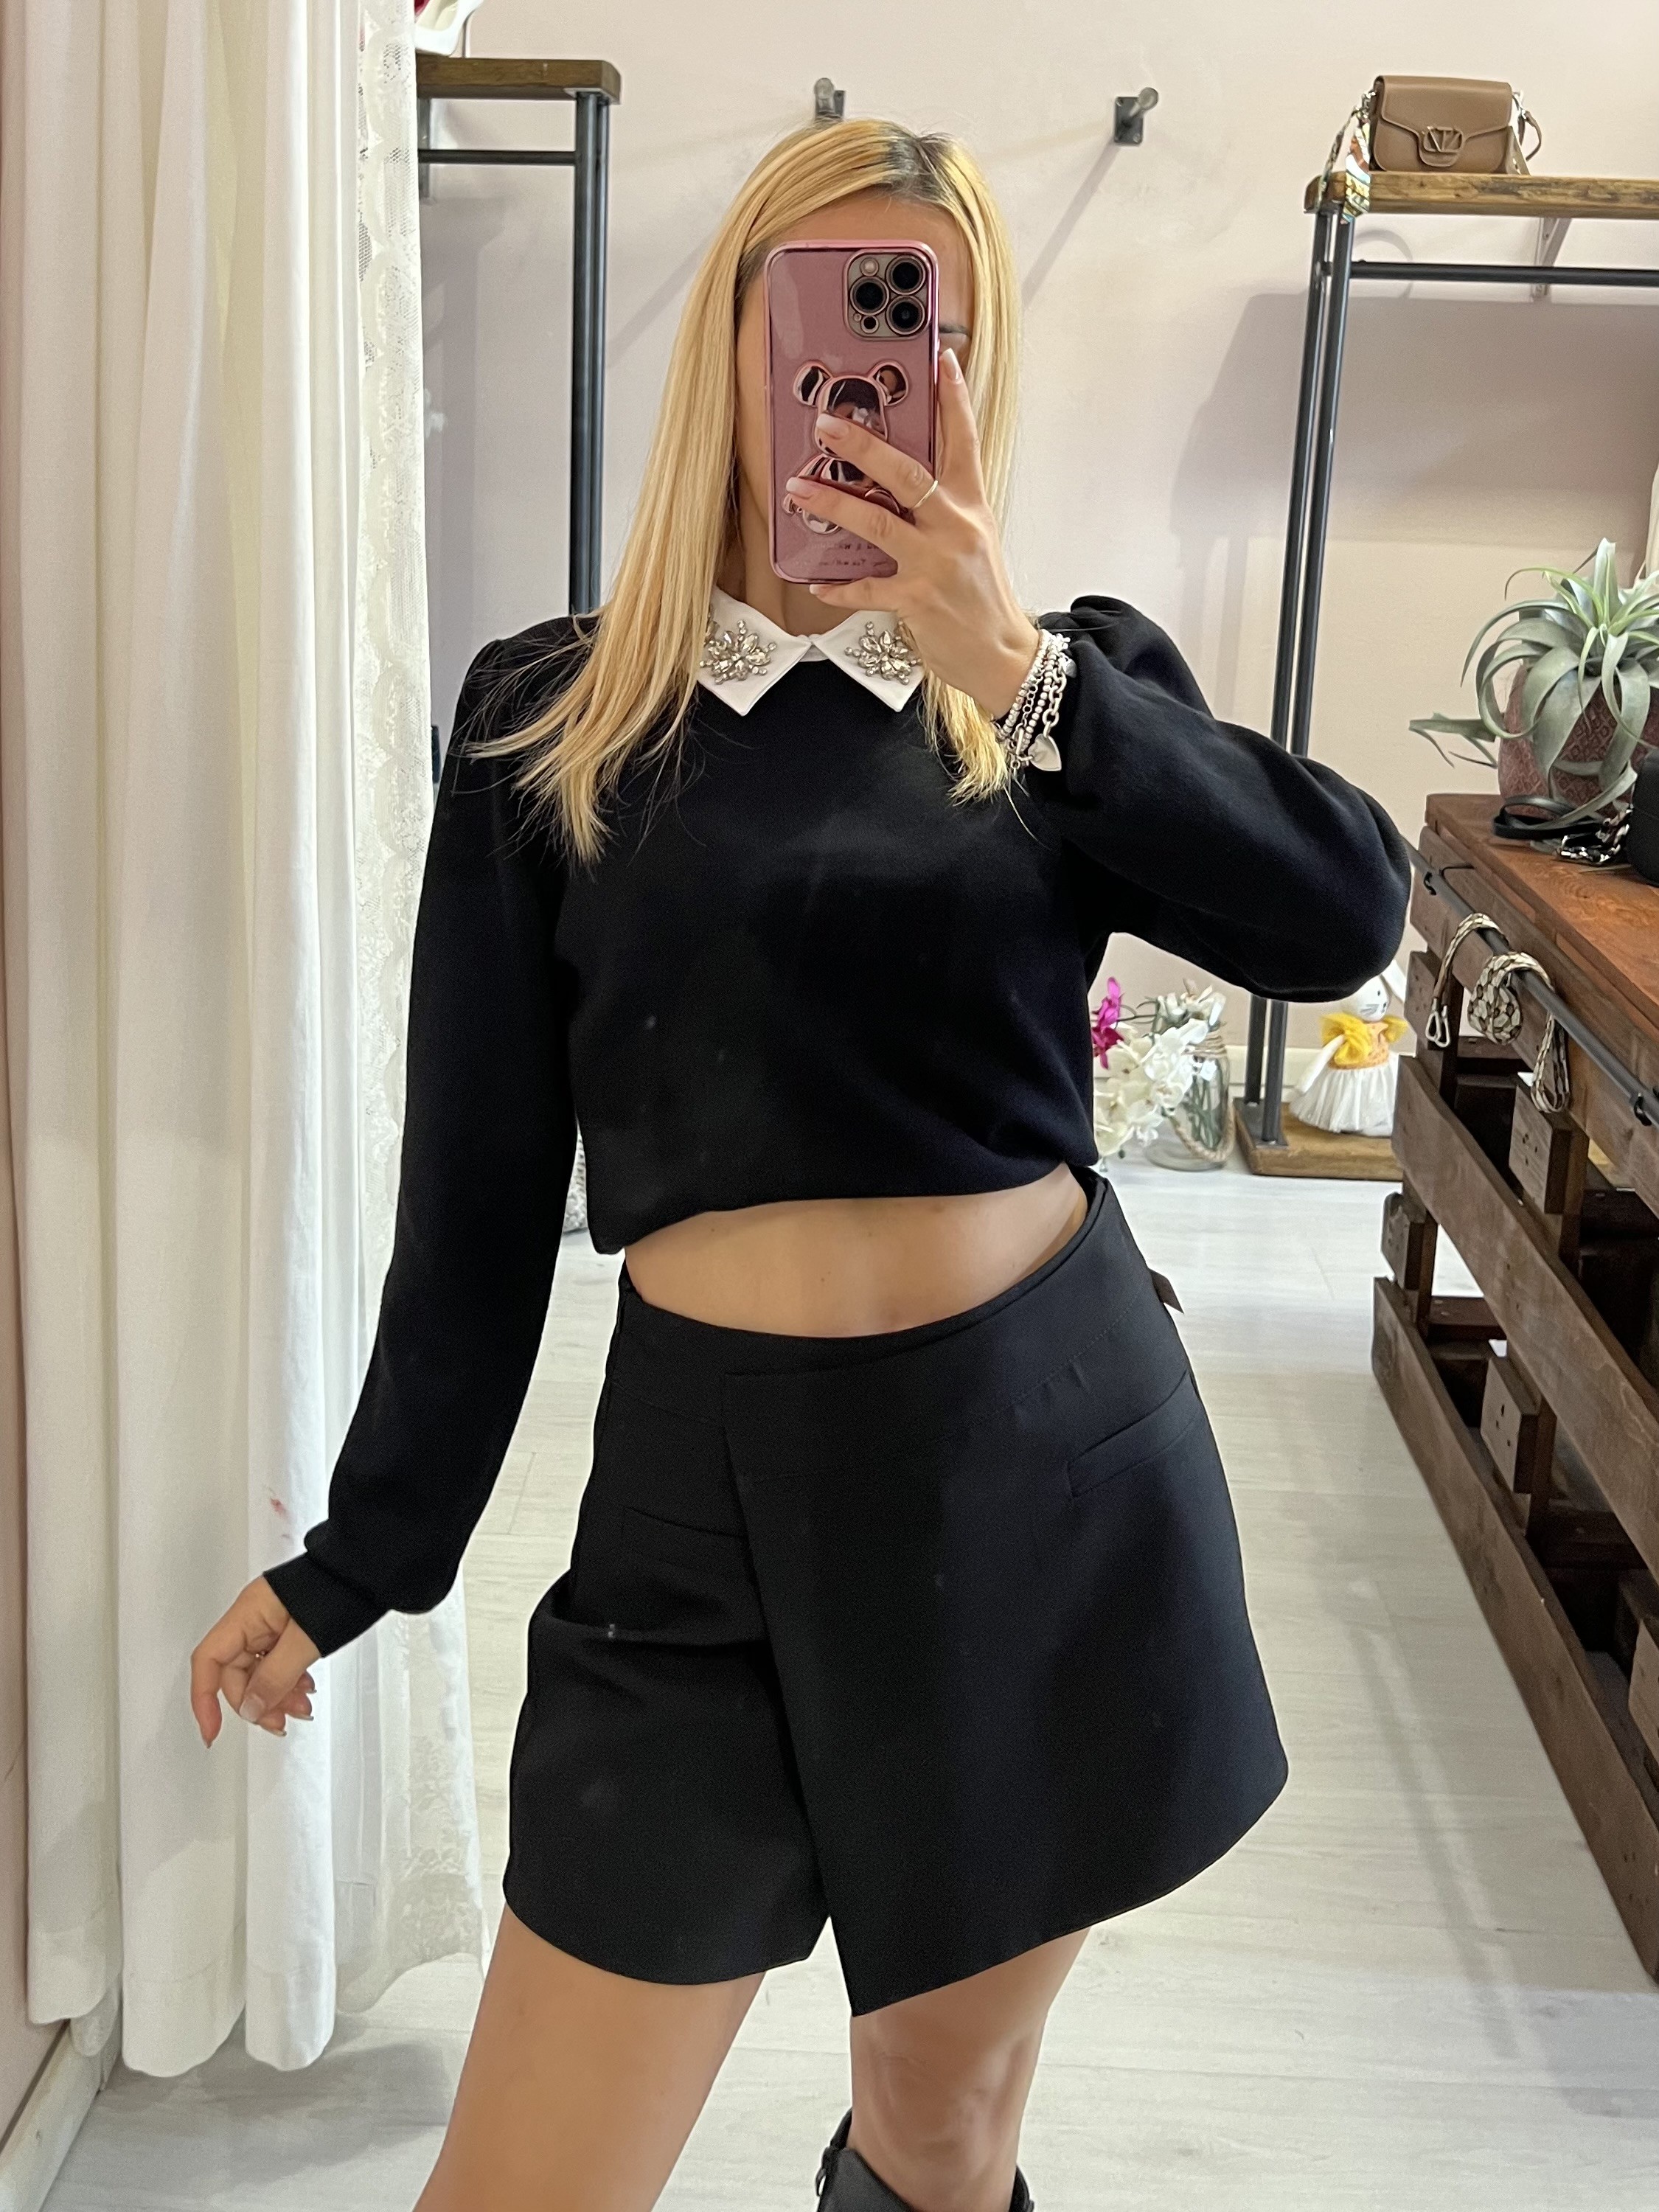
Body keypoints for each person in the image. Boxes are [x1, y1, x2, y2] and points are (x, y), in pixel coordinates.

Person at [190, 117, 1411, 2212]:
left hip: (1038, 1489)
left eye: (918, 334)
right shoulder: (552, 718)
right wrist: (360, 1555)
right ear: (733, 350)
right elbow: (472, 1201)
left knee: (938, 2136)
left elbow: (1341, 917)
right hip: (698, 1525)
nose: (860, 382)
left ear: (969, 373)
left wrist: (1017, 671)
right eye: (821, 321)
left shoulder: (1060, 695)